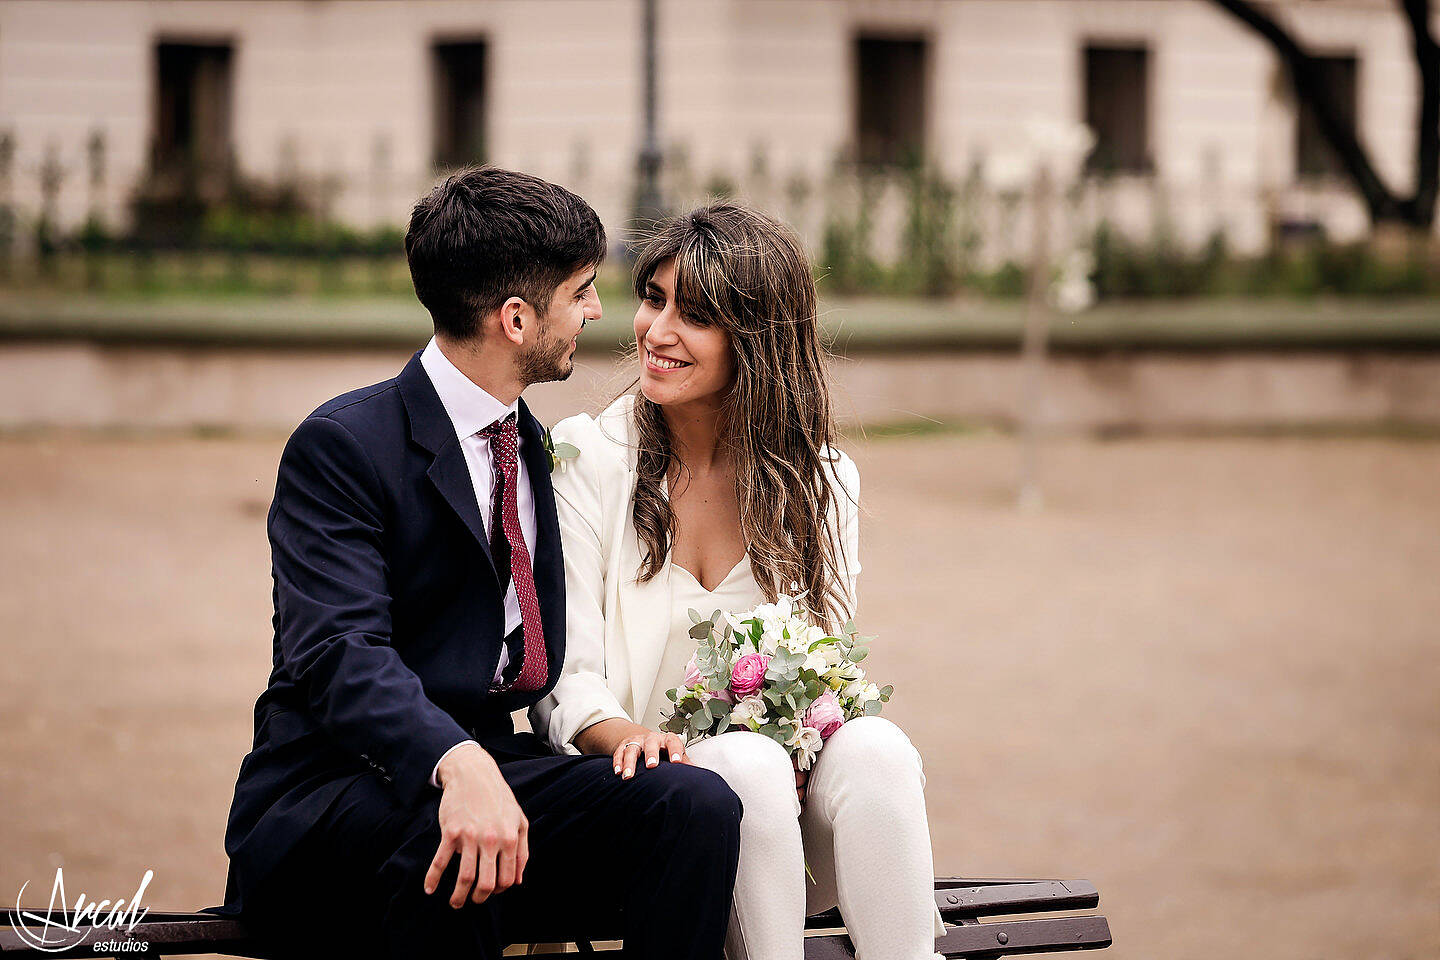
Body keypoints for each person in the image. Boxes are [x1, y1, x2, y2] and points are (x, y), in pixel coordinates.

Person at [208, 167, 744, 960]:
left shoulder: (530, 443)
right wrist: (453, 761)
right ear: (518, 319)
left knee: (691, 804)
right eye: (583, 291)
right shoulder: (345, 446)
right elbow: (336, 654)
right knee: (460, 844)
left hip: (494, 771)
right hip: (332, 794)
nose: (599, 312)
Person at [531, 201, 946, 960]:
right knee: (744, 764)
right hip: (649, 810)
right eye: (653, 299)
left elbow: (830, 674)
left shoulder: (822, 482)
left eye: (694, 314)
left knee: (877, 746)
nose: (657, 332)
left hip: (785, 828)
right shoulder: (587, 459)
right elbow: (567, 678)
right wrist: (637, 740)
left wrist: (805, 744)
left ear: (754, 338)